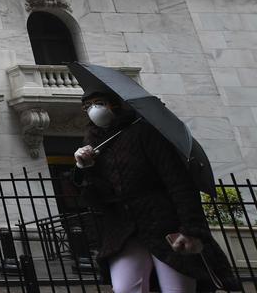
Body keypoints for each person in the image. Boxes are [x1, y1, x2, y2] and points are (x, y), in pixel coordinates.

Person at [74, 91, 238, 292]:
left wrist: (190, 228)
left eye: (99, 103)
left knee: (177, 288)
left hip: (164, 225)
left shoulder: (146, 132)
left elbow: (178, 183)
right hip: (124, 231)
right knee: (125, 288)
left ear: (115, 105)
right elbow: (97, 198)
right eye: (87, 106)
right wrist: (86, 167)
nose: (93, 109)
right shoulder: (94, 143)